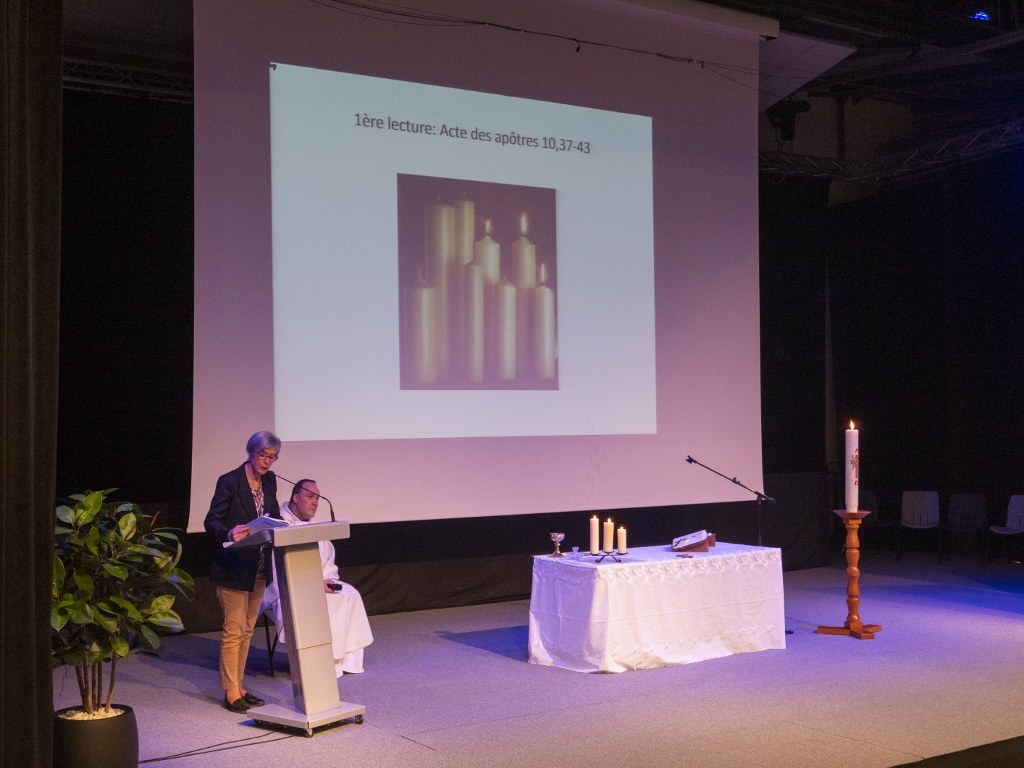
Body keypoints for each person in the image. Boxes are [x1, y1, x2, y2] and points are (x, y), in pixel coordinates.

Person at [260, 478, 373, 675]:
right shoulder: (279, 526)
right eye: (310, 497)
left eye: (318, 498)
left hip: (318, 584)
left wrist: (328, 580)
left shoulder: (315, 527)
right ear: (295, 497)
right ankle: (322, 664)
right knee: (326, 602)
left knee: (350, 594)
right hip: (287, 589)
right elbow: (276, 569)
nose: (315, 502)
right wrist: (313, 585)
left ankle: (347, 661)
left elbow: (328, 561)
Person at [204, 430, 281, 713]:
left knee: (248, 630)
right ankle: (230, 691)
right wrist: (229, 531)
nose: (267, 462)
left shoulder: (269, 481)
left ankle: (240, 685)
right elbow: (211, 521)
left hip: (258, 565)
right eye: (263, 455)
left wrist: (279, 525)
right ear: (251, 452)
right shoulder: (230, 481)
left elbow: (273, 514)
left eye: (272, 457)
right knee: (234, 631)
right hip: (233, 566)